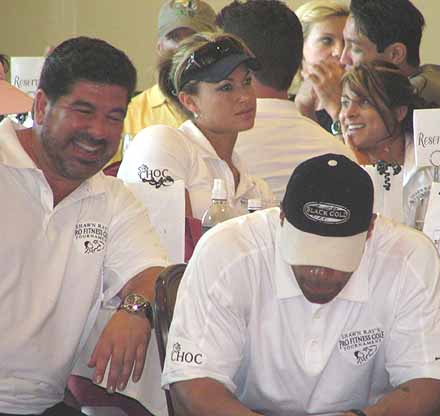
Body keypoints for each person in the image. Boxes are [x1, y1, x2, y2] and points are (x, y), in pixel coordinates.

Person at [161, 153, 440, 415]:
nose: (319, 272)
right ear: (281, 218)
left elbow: (431, 381)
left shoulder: (410, 258)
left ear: (370, 229)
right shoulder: (227, 251)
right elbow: (192, 384)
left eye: (335, 258)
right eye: (307, 253)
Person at [0, 37, 168, 415]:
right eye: (83, 111)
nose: (98, 131)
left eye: (114, 117)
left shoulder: (112, 197)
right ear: (41, 106)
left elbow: (152, 274)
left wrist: (135, 309)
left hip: (42, 404)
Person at [118, 32, 273, 219]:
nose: (245, 97)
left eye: (247, 82)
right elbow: (164, 233)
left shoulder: (257, 189)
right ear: (189, 101)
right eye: (226, 87)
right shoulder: (162, 143)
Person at [217, 0, 356, 202]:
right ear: (300, 54)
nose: (339, 53)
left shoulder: (211, 149)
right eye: (327, 40)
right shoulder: (340, 154)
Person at [339, 60, 440, 229]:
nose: (348, 113)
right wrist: (361, 171)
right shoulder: (336, 162)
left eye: (364, 102)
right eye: (345, 103)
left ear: (399, 112)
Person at [335, 0, 440, 150]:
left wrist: (333, 104)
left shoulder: (421, 90)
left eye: (355, 48)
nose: (343, 59)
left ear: (395, 54)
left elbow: (361, 144)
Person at [107, 0, 217, 168]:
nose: (182, 47)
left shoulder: (231, 108)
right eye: (174, 38)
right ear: (159, 47)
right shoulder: (129, 113)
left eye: (193, 38)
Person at [292, 0, 349, 131]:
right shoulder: (284, 105)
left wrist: (337, 109)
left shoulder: (369, 103)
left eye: (347, 42)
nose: (339, 51)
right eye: (327, 41)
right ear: (300, 45)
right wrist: (304, 111)